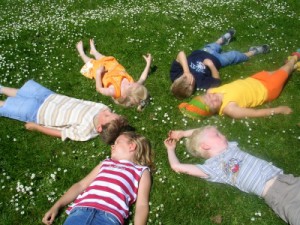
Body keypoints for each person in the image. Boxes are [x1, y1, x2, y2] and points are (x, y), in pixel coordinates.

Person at [164, 126, 300, 225]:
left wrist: (183, 133)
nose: (223, 135)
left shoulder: (230, 147)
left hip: (287, 179)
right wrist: (171, 150)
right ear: (205, 146)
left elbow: (200, 132)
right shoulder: (212, 168)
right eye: (217, 135)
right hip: (276, 196)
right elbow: (177, 167)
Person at [42, 131, 154, 225]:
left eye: (117, 142)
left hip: (109, 217)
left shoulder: (141, 171)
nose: (112, 146)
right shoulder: (105, 163)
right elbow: (81, 185)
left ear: (132, 146)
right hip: (80, 211)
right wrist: (56, 206)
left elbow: (142, 204)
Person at [0, 80, 130, 143]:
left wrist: (37, 127)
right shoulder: (102, 108)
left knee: (6, 106)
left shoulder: (85, 132)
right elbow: (83, 102)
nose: (107, 110)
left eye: (107, 115)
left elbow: (60, 132)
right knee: (21, 92)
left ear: (100, 128)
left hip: (38, 112)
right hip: (51, 97)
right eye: (111, 111)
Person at [179, 52, 300, 119]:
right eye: (211, 104)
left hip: (254, 79)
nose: (211, 97)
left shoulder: (211, 91)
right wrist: (279, 110)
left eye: (206, 97)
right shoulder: (230, 109)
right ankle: (294, 57)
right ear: (213, 112)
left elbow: (215, 81)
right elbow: (256, 113)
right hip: (268, 89)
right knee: (284, 71)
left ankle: (293, 67)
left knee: (279, 72)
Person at [170, 28, 270, 99]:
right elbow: (217, 81)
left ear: (178, 79)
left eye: (185, 79)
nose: (191, 82)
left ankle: (222, 40)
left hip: (204, 51)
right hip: (218, 60)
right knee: (234, 55)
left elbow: (181, 53)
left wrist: (186, 71)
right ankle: (251, 52)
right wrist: (211, 66)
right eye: (191, 86)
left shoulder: (176, 74)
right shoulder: (200, 84)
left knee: (214, 45)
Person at [76, 39, 152, 111]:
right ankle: (94, 51)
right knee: (103, 58)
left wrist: (99, 73)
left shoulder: (115, 91)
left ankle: (81, 53)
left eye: (130, 85)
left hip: (103, 73)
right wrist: (148, 64)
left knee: (91, 64)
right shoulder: (134, 87)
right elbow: (142, 78)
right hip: (113, 67)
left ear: (126, 95)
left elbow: (99, 89)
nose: (132, 82)